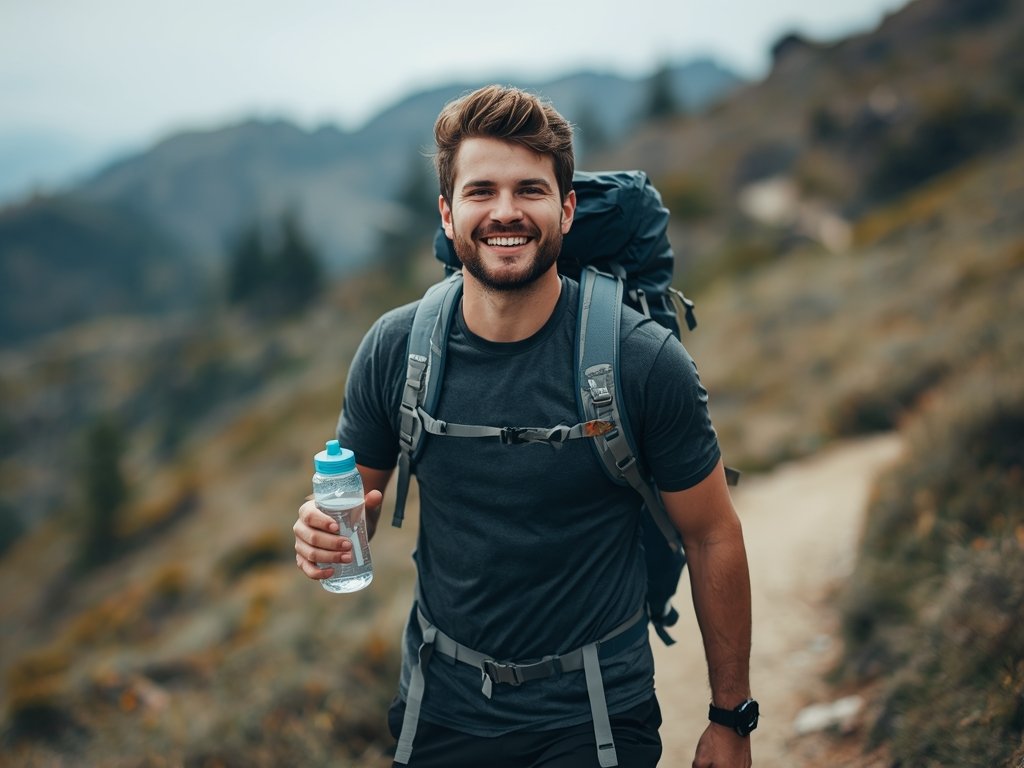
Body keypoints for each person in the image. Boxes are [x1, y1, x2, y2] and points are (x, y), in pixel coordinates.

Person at [293, 84, 755, 768]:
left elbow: (712, 533)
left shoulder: (640, 361)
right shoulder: (397, 350)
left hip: (596, 709)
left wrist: (731, 718)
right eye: (481, 191)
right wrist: (318, 532)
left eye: (529, 190)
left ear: (565, 209)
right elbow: (348, 505)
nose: (505, 212)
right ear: (448, 215)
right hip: (441, 706)